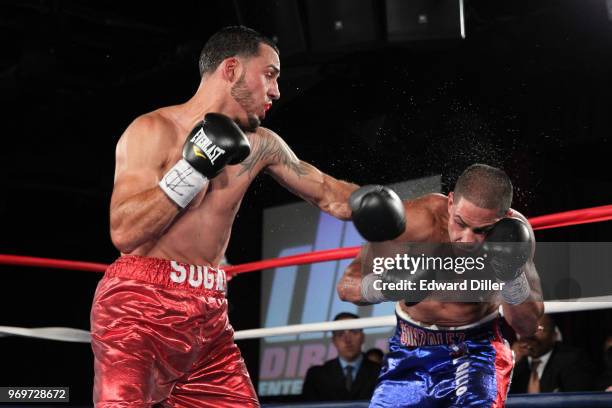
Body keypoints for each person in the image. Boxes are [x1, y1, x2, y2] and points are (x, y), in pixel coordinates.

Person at [91, 26, 357, 408]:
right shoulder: (153, 130)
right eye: (270, 74)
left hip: (208, 314)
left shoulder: (262, 144)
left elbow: (332, 196)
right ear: (231, 69)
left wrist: (400, 209)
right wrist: (193, 169)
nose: (277, 91)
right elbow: (124, 232)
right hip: (138, 308)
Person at [337, 163, 545, 407]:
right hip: (409, 349)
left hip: (477, 351)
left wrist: (510, 275)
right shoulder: (415, 221)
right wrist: (386, 287)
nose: (466, 240)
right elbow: (346, 286)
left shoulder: (515, 237)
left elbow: (527, 325)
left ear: (504, 219)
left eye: (482, 230)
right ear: (450, 203)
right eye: (460, 223)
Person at [301, 312, 381, 401]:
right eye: (340, 334)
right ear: (334, 340)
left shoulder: (381, 372)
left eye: (353, 332)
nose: (347, 340)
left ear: (362, 337)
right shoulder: (316, 376)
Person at [510, 314, 596, 393]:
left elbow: (577, 399)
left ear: (554, 335)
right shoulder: (513, 362)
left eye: (539, 330)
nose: (530, 335)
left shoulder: (572, 359)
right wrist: (508, 364)